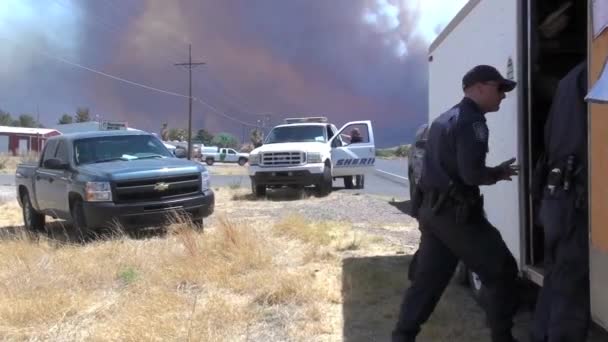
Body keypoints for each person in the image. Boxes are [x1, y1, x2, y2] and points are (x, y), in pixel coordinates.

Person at [392, 65, 521, 342]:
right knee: (503, 271)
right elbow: (471, 174)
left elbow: (428, 172)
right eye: (500, 89)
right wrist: (496, 173)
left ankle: (402, 336)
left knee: (427, 283)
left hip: (434, 214)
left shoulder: (442, 120)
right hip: (457, 216)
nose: (503, 96)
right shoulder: (472, 122)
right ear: (479, 88)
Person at [530, 61, 589, 342]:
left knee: (556, 278)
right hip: (574, 200)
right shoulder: (593, 74)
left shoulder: (569, 79)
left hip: (556, 197)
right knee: (572, 290)